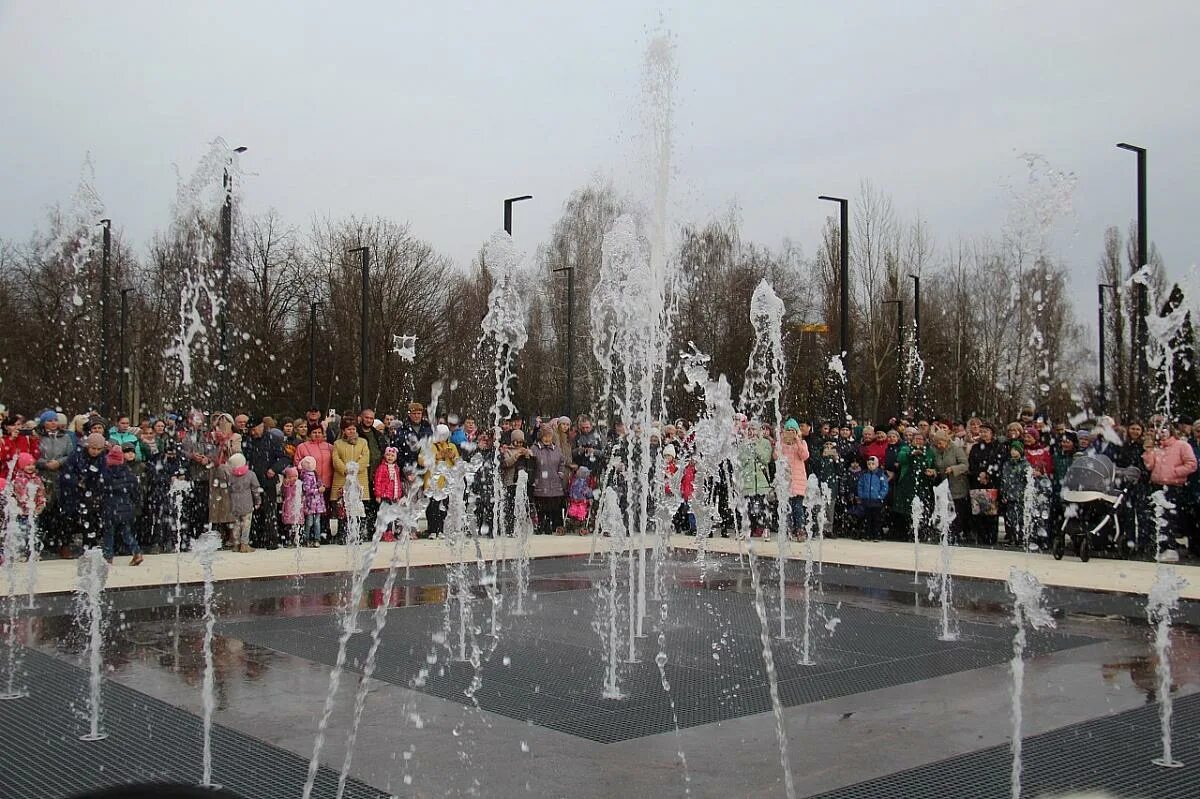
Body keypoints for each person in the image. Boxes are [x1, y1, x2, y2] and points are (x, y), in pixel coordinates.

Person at [1143, 420, 1198, 561]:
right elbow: (1149, 466)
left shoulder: (1182, 445)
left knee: (1170, 518)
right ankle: (1162, 546)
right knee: (1158, 517)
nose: (1161, 433)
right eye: (1159, 430)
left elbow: (1192, 464)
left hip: (1174, 487)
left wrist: (1175, 472)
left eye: (1164, 429)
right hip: (1157, 486)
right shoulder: (1157, 448)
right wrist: (1148, 450)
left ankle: (1171, 548)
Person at [59, 432, 110, 556]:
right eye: (93, 448)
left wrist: (98, 486)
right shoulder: (76, 455)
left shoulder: (102, 458)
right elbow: (66, 474)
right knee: (69, 519)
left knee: (90, 519)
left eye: (98, 449)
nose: (95, 452)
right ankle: (65, 544)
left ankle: (89, 546)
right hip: (73, 493)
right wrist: (77, 482)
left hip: (91, 492)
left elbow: (104, 475)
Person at [243, 417, 289, 550]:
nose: (253, 433)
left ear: (261, 426)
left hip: (268, 481)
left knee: (270, 511)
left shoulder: (273, 439)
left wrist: (274, 469)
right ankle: (256, 539)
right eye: (251, 430)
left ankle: (272, 539)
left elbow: (285, 458)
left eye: (255, 429)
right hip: (252, 482)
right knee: (255, 512)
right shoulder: (249, 440)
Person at [101, 444, 143, 566]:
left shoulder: (106, 474)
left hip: (110, 507)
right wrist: (135, 505)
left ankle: (108, 557)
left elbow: (101, 489)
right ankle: (137, 552)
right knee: (126, 532)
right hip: (126, 507)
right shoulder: (129, 474)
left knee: (109, 533)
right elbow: (135, 492)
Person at [967, 422, 1005, 545]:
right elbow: (972, 464)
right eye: (981, 431)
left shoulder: (998, 447)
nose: (983, 434)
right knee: (978, 514)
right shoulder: (976, 447)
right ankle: (981, 539)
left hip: (992, 483)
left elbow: (999, 463)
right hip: (977, 483)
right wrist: (980, 474)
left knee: (991, 515)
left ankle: (991, 540)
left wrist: (988, 474)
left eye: (986, 431)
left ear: (992, 433)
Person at [422, 424, 459, 538]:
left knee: (444, 508)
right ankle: (432, 530)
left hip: (446, 483)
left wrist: (453, 456)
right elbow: (422, 460)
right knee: (432, 507)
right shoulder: (429, 445)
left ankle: (441, 529)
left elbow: (459, 464)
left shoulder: (452, 446)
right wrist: (437, 456)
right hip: (432, 482)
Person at [739, 420, 773, 538]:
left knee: (764, 506)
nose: (751, 432)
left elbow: (765, 458)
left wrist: (756, 445)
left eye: (754, 429)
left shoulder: (765, 443)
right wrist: (748, 446)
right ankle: (748, 529)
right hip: (748, 481)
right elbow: (741, 460)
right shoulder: (743, 443)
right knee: (747, 507)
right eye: (749, 429)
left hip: (762, 481)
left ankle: (766, 528)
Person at [530, 423, 566, 535]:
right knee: (541, 507)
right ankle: (541, 526)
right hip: (540, 483)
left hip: (555, 483)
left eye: (550, 436)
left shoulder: (556, 449)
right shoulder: (535, 448)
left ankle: (555, 526)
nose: (547, 439)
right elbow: (531, 464)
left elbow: (562, 461)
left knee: (554, 507)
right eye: (545, 436)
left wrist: (560, 473)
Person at [11, 452, 46, 559]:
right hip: (23, 512)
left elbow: (41, 491)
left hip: (34, 511)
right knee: (23, 532)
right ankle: (22, 552)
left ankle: (34, 551)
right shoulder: (18, 479)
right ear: (21, 465)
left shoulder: (36, 479)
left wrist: (41, 503)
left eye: (32, 464)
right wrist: (26, 504)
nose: (31, 467)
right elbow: (20, 495)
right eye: (27, 465)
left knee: (34, 531)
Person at [779, 418, 810, 537]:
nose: (791, 433)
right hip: (786, 480)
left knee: (797, 507)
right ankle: (788, 529)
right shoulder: (782, 444)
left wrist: (797, 440)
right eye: (788, 431)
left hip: (798, 480)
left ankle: (800, 529)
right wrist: (781, 441)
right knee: (786, 507)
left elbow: (805, 456)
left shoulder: (802, 443)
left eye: (793, 431)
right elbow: (776, 456)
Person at [226, 452, 262, 554]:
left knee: (236, 524)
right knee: (246, 524)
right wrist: (258, 501)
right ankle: (244, 544)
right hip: (247, 502)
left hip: (234, 503)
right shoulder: (250, 474)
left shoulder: (230, 475)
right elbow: (255, 489)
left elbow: (228, 489)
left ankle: (236, 544)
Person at [1000, 440, 1030, 549]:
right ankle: (1012, 537)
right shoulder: (1007, 464)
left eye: (1016, 450)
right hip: (1009, 494)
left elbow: (1027, 480)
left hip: (1020, 495)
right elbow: (1004, 479)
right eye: (1012, 449)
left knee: (1021, 518)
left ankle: (1021, 538)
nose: (1013, 452)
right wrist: (1004, 493)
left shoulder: (1025, 464)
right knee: (1010, 517)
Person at [856, 455, 889, 541]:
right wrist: (861, 495)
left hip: (876, 501)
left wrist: (880, 496)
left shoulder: (880, 474)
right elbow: (860, 485)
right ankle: (867, 534)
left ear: (877, 465)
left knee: (876, 519)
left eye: (873, 464)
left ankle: (876, 535)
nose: (871, 466)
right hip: (866, 500)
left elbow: (884, 487)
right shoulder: (864, 475)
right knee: (867, 519)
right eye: (869, 464)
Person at [299, 456, 326, 546]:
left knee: (316, 522)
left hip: (317, 503)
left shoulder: (315, 474)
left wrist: (321, 486)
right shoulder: (306, 476)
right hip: (310, 503)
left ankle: (316, 539)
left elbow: (319, 484)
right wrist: (318, 490)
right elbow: (307, 490)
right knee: (310, 522)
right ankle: (306, 539)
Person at [565, 466, 593, 534]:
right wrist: (590, 497)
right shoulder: (584, 483)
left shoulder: (573, 482)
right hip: (581, 502)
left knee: (573, 511)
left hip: (574, 501)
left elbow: (570, 491)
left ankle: (574, 522)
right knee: (581, 512)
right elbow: (587, 492)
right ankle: (580, 522)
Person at [280, 466, 303, 546]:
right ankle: (288, 540)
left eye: (296, 476)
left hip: (297, 508)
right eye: (292, 477)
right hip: (289, 507)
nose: (294, 478)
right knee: (288, 525)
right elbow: (283, 492)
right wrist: (286, 484)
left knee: (296, 525)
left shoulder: (299, 484)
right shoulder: (287, 485)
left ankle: (295, 539)